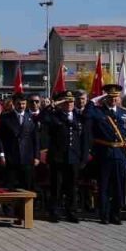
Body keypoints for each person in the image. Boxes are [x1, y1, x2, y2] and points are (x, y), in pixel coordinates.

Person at [85, 83, 126, 224]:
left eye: (116, 97)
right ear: (105, 97)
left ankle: (116, 214)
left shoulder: (125, 113)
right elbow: (86, 115)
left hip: (120, 154)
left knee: (119, 187)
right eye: (110, 97)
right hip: (104, 154)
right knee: (104, 186)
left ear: (119, 98)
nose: (113, 100)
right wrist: (93, 100)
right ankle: (104, 215)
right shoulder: (97, 111)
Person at [41, 91, 87, 222]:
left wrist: (82, 157)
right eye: (66, 101)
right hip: (58, 157)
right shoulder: (55, 116)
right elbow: (42, 118)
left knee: (72, 186)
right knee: (57, 185)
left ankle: (71, 212)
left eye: (71, 101)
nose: (69, 104)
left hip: (73, 157)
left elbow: (84, 137)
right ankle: (54, 211)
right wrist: (54, 104)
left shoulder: (79, 116)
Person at [0, 92, 40, 191]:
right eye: (19, 104)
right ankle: (8, 207)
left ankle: (25, 207)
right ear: (14, 104)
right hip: (10, 157)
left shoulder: (32, 118)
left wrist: (36, 156)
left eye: (23, 104)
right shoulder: (5, 117)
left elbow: (35, 138)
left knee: (27, 187)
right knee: (9, 187)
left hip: (27, 158)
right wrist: (1, 154)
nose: (21, 106)